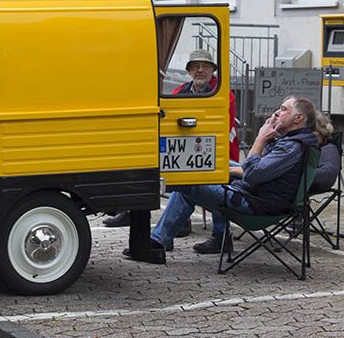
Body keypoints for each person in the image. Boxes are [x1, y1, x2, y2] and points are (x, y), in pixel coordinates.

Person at [136, 96, 319, 260]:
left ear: (298, 118)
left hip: (254, 204)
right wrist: (231, 169)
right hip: (256, 194)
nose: (277, 112)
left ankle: (154, 227)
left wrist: (261, 138)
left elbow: (253, 174)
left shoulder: (290, 147)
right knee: (218, 164)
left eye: (284, 109)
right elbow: (257, 171)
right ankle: (194, 238)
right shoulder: (293, 142)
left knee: (188, 183)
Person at [104, 49, 239, 231]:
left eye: (205, 66)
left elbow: (219, 126)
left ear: (212, 70)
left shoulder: (223, 93)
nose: (200, 70)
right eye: (195, 66)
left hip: (216, 151)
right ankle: (157, 216)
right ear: (189, 71)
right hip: (185, 148)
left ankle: (219, 236)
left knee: (215, 179)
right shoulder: (179, 91)